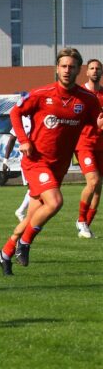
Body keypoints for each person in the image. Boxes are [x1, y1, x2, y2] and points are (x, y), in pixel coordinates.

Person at [0, 48, 103, 276]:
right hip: (36, 161)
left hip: (58, 166)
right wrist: (23, 141)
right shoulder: (42, 94)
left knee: (33, 215)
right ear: (57, 68)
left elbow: (95, 123)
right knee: (55, 202)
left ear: (77, 70)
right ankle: (25, 243)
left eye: (71, 67)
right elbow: (15, 113)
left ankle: (5, 253)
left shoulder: (87, 100)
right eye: (63, 66)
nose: (67, 70)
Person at [74, 58, 103, 239]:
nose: (94, 71)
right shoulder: (81, 93)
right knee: (92, 181)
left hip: (101, 145)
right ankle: (81, 221)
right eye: (91, 68)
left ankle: (86, 226)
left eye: (98, 68)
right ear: (86, 72)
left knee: (98, 187)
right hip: (85, 144)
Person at [2, 114, 32, 222]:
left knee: (38, 189)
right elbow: (11, 140)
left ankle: (22, 211)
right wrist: (5, 160)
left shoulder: (41, 116)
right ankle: (22, 211)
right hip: (27, 159)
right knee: (33, 188)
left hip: (41, 159)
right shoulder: (21, 120)